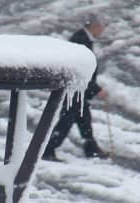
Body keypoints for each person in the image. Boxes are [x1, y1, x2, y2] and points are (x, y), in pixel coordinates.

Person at [43, 14, 109, 162]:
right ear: (94, 26)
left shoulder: (83, 38)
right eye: (102, 26)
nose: (103, 30)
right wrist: (97, 90)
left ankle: (91, 148)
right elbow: (79, 71)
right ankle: (47, 150)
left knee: (84, 118)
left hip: (77, 89)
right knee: (67, 120)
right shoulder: (81, 41)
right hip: (73, 88)